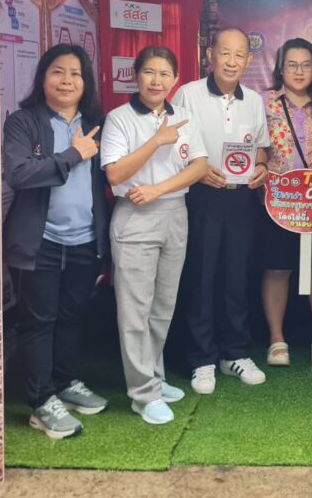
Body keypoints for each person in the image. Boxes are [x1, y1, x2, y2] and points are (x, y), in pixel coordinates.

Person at [3, 44, 110, 440]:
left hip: (85, 240)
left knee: (71, 317)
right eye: (58, 72)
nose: (67, 81)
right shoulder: (23, 122)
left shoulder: (96, 123)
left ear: (86, 82)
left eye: (75, 74)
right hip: (39, 242)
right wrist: (71, 155)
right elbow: (18, 174)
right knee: (38, 322)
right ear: (43, 77)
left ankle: (64, 382)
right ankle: (41, 400)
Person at [99, 47, 209, 425]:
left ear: (175, 79)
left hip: (174, 212)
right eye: (149, 72)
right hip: (135, 216)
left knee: (162, 307)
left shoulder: (183, 117)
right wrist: (156, 141)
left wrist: (160, 189)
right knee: (135, 311)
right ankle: (142, 394)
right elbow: (115, 174)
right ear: (136, 75)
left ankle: (155, 378)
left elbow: (199, 165)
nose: (156, 81)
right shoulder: (119, 118)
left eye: (164, 74)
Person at [173, 28, 271, 394]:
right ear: (210, 55)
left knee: (237, 274)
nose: (232, 61)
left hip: (241, 198)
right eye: (225, 53)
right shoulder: (188, 94)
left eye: (239, 54)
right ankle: (201, 358)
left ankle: (235, 353)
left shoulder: (254, 100)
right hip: (201, 195)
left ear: (249, 60)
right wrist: (197, 171)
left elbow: (261, 147)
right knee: (201, 275)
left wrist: (261, 166)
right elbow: (173, 145)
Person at [261, 39, 312, 368]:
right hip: (278, 200)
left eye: (306, 65)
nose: (298, 71)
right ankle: (276, 338)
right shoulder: (265, 103)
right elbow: (256, 145)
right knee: (277, 268)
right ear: (281, 69)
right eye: (291, 65)